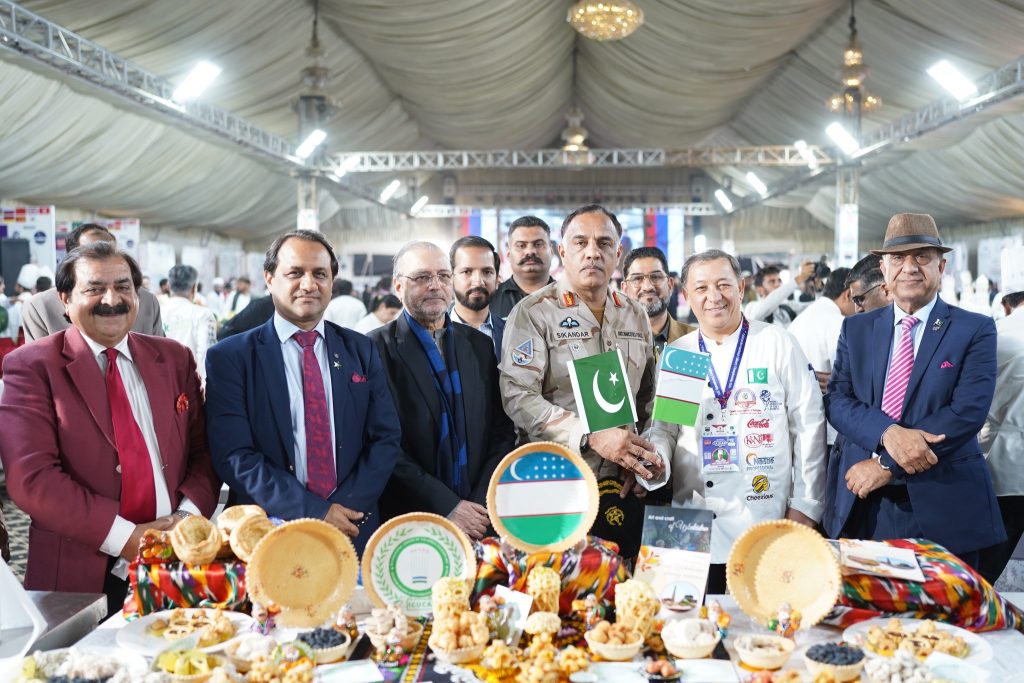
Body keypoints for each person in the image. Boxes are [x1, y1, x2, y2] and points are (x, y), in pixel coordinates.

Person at [0, 241, 219, 615]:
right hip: (81, 570)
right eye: (95, 288)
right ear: (65, 299)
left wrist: (184, 520)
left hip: (176, 559)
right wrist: (127, 538)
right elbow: (33, 479)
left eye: (123, 287)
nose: (112, 299)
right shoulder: (33, 366)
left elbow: (205, 452)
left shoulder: (173, 358)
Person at [824, 213, 1003, 569]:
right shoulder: (856, 329)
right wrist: (886, 433)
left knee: (944, 605)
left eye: (922, 257)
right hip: (864, 502)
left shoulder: (974, 329)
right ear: (884, 269)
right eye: (898, 258)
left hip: (943, 503)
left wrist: (886, 465)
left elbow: (967, 412)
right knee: (867, 602)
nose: (909, 268)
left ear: (941, 266)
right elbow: (839, 400)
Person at [205, 230, 401, 553]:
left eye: (320, 274)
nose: (308, 284)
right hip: (268, 531)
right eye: (295, 273)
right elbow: (234, 454)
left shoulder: (360, 349)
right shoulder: (231, 357)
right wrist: (316, 511)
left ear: (332, 282)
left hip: (353, 527)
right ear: (269, 279)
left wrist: (343, 509)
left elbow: (385, 437)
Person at [642, 249, 826, 593]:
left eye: (723, 284)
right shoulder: (682, 354)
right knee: (685, 618)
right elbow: (666, 429)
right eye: (701, 288)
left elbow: (809, 427)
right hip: (691, 519)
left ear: (741, 288)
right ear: (686, 296)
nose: (714, 297)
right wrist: (657, 460)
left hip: (764, 515)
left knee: (766, 617)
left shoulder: (775, 343)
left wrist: (806, 506)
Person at [500, 204, 660, 483]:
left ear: (618, 253)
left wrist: (643, 457)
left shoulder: (635, 314)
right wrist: (588, 435)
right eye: (581, 242)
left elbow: (648, 398)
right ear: (562, 252)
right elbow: (517, 395)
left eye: (604, 243)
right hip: (558, 477)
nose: (593, 252)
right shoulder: (535, 312)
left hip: (623, 479)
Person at [368, 242, 515, 539]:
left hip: (480, 514)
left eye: (443, 276)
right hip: (411, 516)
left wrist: (476, 504)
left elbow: (500, 431)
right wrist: (447, 506)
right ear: (398, 286)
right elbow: (381, 444)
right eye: (422, 277)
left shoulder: (478, 344)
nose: (435, 285)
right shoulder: (374, 349)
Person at [22, 223, 163, 341]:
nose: (112, 301)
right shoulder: (40, 307)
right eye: (92, 253)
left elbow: (159, 355)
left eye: (109, 251)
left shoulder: (147, 302)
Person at [978, 291, 1024, 583]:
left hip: (1004, 465)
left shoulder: (995, 334)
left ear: (1007, 306)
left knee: (985, 567)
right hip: (1007, 460)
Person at [621, 246, 695, 362]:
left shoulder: (695, 340)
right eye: (637, 279)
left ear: (670, 285)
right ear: (625, 289)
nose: (647, 287)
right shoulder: (607, 341)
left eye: (656, 277)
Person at [788, 267, 854, 395]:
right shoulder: (838, 322)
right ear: (848, 295)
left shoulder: (803, 316)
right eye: (858, 298)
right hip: (823, 400)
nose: (860, 307)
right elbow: (846, 379)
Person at [449, 236, 505, 360]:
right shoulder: (431, 336)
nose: (478, 282)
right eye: (466, 272)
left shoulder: (513, 333)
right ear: (450, 278)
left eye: (487, 272)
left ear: (497, 279)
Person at [159, 265, 218, 384]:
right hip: (191, 385)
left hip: (162, 382)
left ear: (169, 286)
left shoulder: (157, 313)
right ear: (194, 288)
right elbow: (206, 354)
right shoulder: (203, 314)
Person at [490, 216, 555, 320]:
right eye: (521, 245)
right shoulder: (489, 301)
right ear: (508, 254)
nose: (530, 251)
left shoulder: (573, 299)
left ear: (551, 251)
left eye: (538, 244)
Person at [744, 262, 815, 326]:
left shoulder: (788, 307)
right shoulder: (752, 308)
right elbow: (770, 302)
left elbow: (814, 307)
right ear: (760, 290)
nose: (778, 284)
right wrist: (798, 279)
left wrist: (818, 286)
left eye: (779, 280)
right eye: (772, 282)